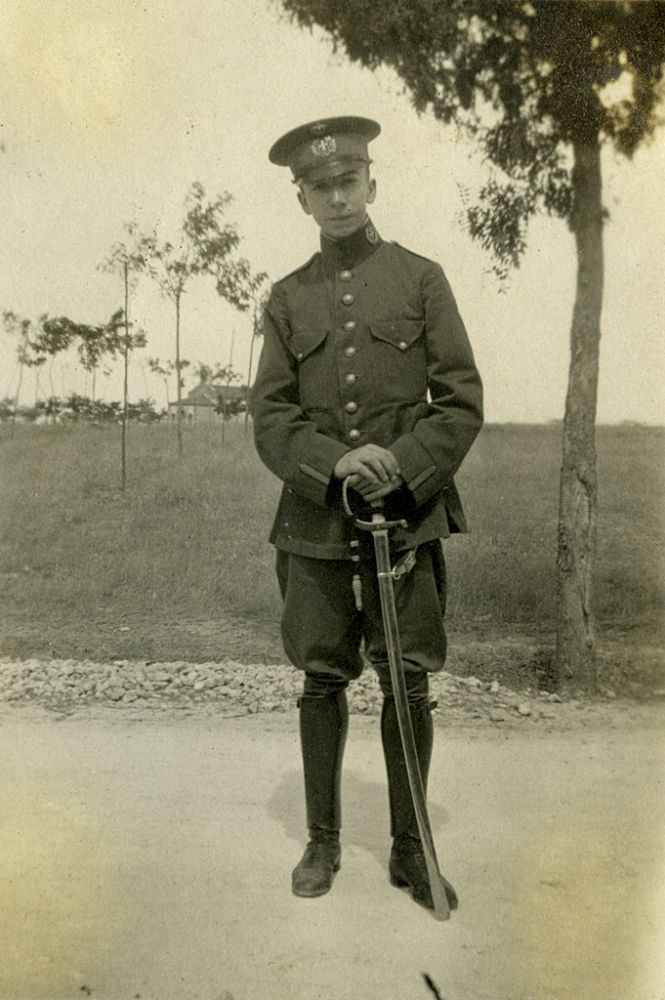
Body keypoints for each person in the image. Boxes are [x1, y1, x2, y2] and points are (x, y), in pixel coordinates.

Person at [252, 116, 483, 912]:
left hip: (407, 518)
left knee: (407, 680)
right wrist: (337, 463)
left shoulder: (421, 279)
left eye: (349, 181)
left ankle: (410, 848)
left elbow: (459, 401)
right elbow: (272, 417)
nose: (337, 196)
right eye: (321, 187)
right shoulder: (286, 300)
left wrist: (403, 469)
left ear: (371, 185)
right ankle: (321, 841)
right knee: (321, 678)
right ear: (303, 199)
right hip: (315, 522)